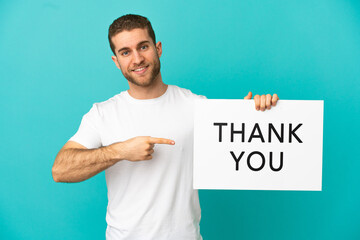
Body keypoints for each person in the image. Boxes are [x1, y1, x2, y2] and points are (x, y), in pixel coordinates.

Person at [52, 14, 279, 240]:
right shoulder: (102, 114)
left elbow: (240, 141)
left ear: (158, 48)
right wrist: (120, 151)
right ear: (116, 61)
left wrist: (257, 114)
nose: (137, 58)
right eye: (125, 52)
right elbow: (60, 170)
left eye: (143, 47)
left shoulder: (196, 106)